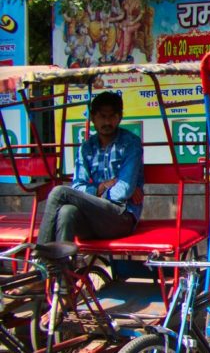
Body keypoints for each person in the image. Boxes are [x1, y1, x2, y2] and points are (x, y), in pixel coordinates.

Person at [38, 91, 143, 244]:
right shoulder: (86, 147)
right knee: (67, 212)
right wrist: (99, 188)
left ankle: (40, 258)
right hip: (93, 219)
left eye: (112, 116)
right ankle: (58, 266)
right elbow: (78, 185)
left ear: (120, 117)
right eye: (102, 116)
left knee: (59, 192)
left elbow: (123, 191)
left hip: (121, 217)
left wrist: (94, 196)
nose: (107, 122)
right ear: (93, 117)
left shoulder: (130, 143)